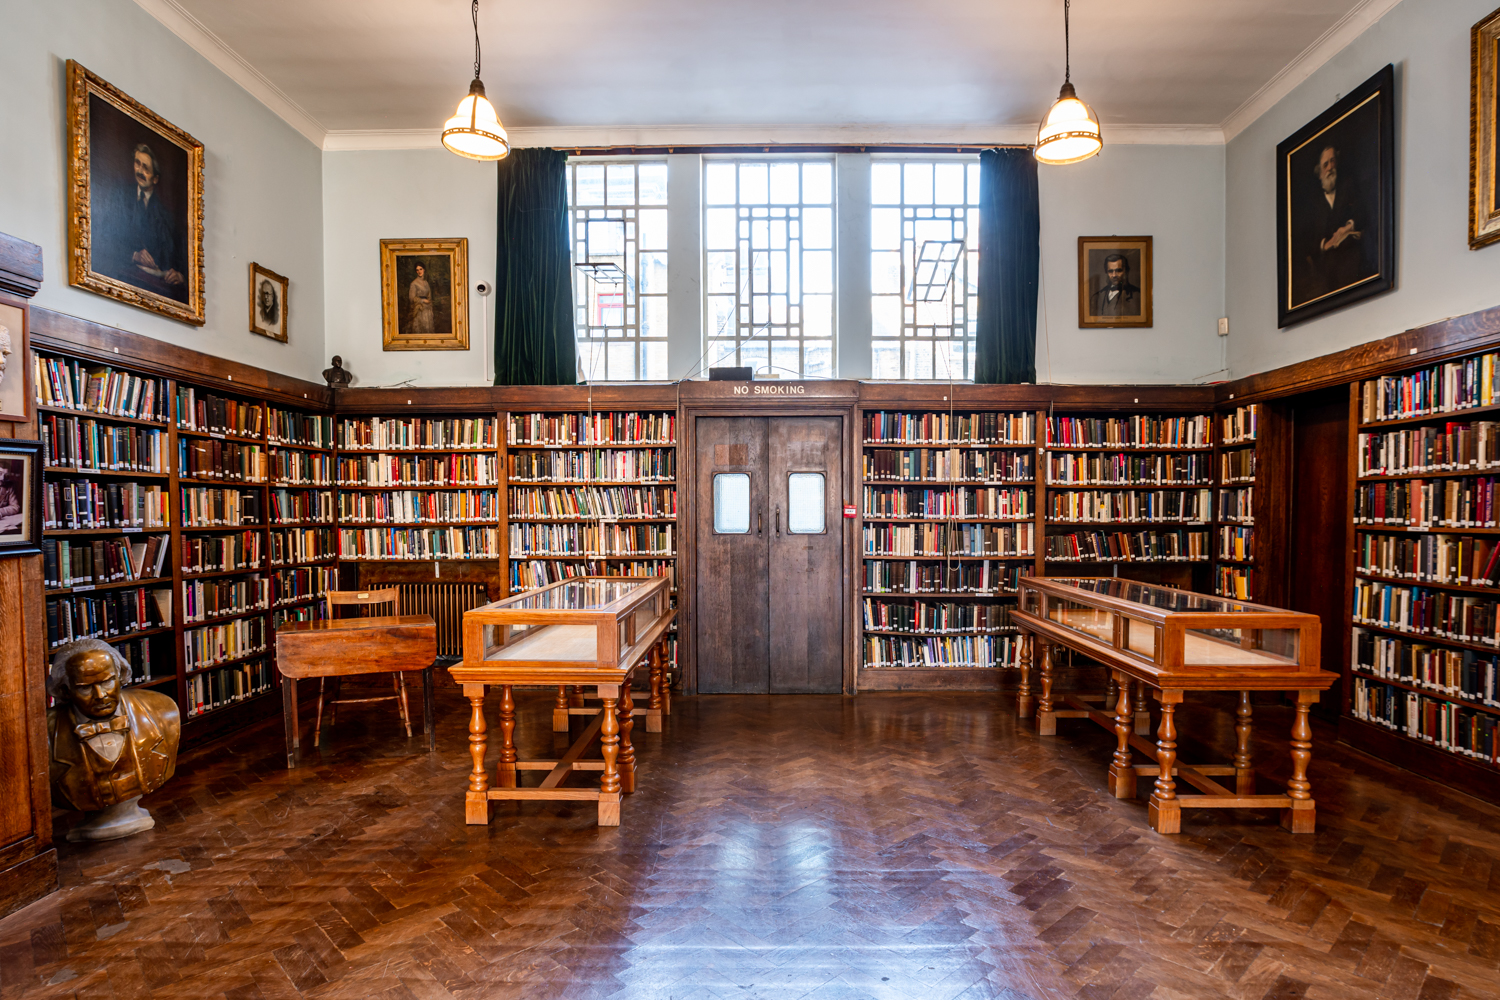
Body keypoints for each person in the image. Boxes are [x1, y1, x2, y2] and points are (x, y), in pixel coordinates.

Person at [47, 639, 180, 840]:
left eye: (107, 681)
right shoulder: (44, 734)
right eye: (85, 687)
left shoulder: (163, 710)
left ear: (120, 676)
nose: (100, 695)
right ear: (66, 690)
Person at [97, 143, 187, 301]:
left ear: (155, 178)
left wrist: (181, 275)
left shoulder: (165, 216)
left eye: (146, 168)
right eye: (137, 163)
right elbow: (102, 239)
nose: (140, 171)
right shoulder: (119, 197)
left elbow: (178, 256)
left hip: (156, 288)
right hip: (122, 280)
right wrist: (133, 255)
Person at [1304, 144, 1373, 299]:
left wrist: (1348, 227)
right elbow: (1306, 240)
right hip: (1325, 263)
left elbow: (1362, 213)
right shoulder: (1313, 203)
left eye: (1333, 161)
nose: (1330, 167)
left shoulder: (1348, 187)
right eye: (1326, 164)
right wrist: (1324, 244)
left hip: (1349, 255)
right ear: (1320, 172)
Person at [408, 263, 435, 334]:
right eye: (417, 270)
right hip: (419, 309)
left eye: (421, 269)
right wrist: (423, 300)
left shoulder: (426, 283)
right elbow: (411, 298)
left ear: (424, 269)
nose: (419, 271)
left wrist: (429, 304)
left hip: (427, 309)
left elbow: (429, 296)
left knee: (428, 329)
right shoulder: (414, 283)